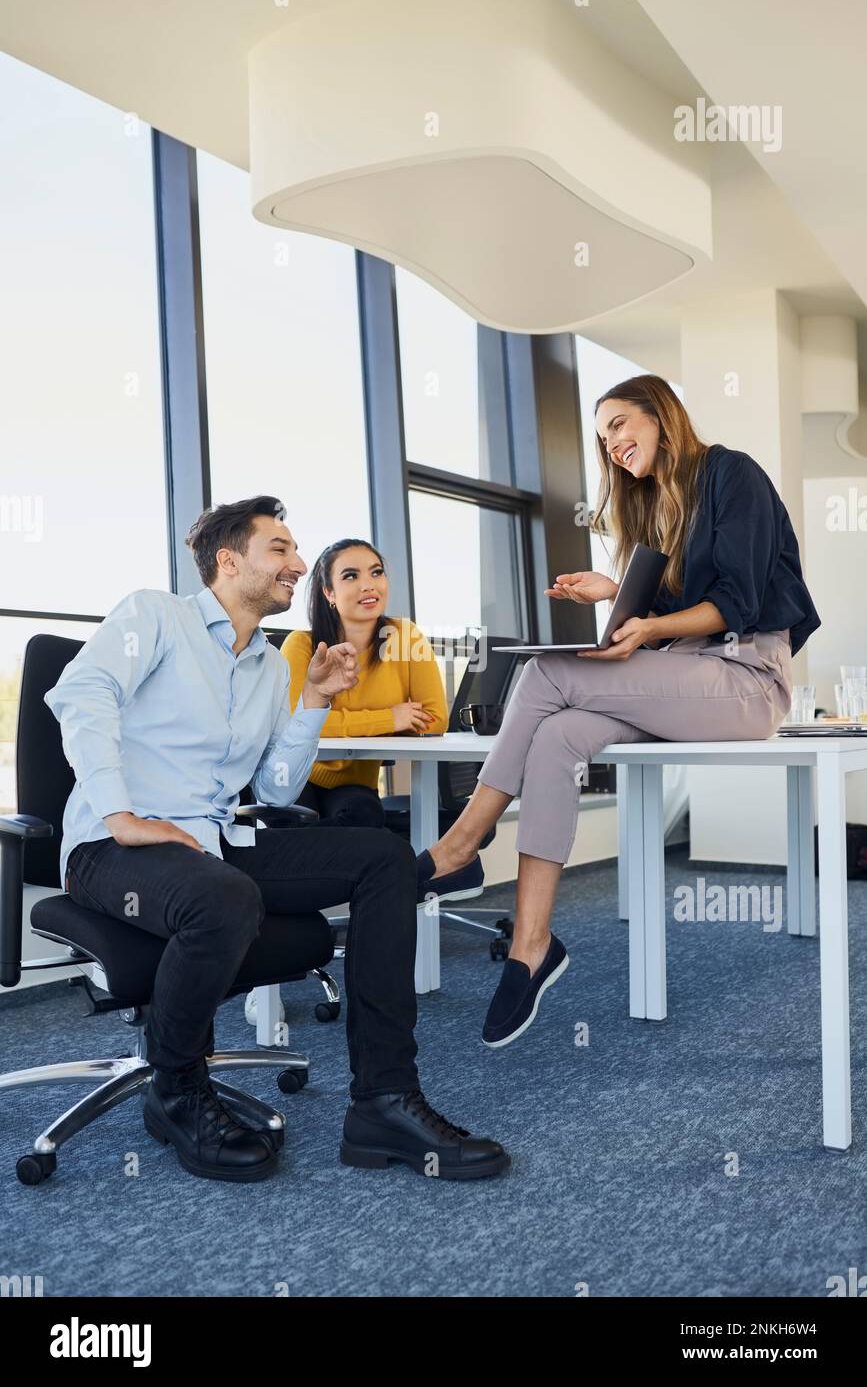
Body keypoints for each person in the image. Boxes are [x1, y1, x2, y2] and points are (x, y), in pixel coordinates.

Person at [45, 496, 509, 1184]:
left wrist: (314, 703)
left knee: (381, 859)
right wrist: (119, 815)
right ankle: (174, 1088)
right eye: (281, 550)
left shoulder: (266, 665)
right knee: (222, 899)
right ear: (229, 561)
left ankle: (384, 1100)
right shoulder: (156, 616)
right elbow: (80, 695)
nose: (297, 565)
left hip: (216, 839)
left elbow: (277, 789)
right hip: (111, 848)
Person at [416, 375, 821, 1048]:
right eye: (601, 435)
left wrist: (649, 629)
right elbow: (661, 617)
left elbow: (737, 603)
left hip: (745, 677)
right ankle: (530, 944)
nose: (609, 444)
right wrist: (615, 593)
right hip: (688, 671)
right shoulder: (651, 507)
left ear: (661, 416)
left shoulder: (728, 474)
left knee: (547, 672)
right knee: (556, 737)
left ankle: (460, 845)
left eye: (618, 424)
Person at [282, 538, 448, 828]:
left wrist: (342, 724)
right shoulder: (301, 645)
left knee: (363, 819)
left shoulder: (404, 637)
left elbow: (435, 720)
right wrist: (391, 718)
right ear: (328, 593)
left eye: (376, 572)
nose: (369, 585)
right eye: (350, 576)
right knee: (299, 832)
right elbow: (298, 725)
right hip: (295, 776)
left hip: (355, 785)